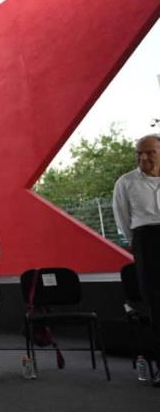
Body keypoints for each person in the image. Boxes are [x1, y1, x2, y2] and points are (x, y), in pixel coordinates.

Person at [113, 134, 160, 387]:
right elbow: (122, 216)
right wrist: (136, 243)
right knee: (155, 304)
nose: (143, 157)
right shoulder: (126, 182)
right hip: (146, 240)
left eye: (149, 152)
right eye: (139, 153)